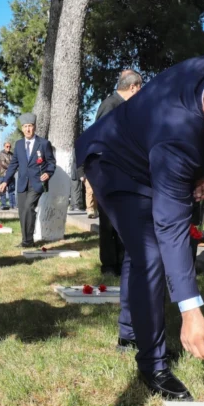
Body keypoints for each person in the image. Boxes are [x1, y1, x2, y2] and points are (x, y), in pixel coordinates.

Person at [76, 56, 204, 399]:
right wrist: (190, 309)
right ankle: (153, 363)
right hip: (113, 161)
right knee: (149, 254)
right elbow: (172, 226)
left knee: (142, 254)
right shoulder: (177, 137)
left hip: (149, 150)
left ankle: (129, 330)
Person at [87, 70, 142, 274]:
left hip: (124, 171)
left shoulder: (125, 106)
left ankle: (121, 261)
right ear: (133, 87)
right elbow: (100, 138)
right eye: (139, 88)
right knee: (108, 222)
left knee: (122, 220)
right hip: (108, 172)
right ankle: (109, 264)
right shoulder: (110, 105)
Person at [0, 114, 56, 247]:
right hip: (22, 184)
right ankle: (26, 239)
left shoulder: (43, 143)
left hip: (37, 183)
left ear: (34, 127)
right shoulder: (18, 145)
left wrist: (48, 173)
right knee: (22, 211)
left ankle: (28, 240)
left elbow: (51, 162)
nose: (28, 129)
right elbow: (13, 164)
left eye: (30, 126)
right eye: (25, 127)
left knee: (29, 207)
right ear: (22, 129)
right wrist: (5, 181)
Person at [0, 142, 16, 209]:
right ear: (4, 146)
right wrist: (12, 168)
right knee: (3, 190)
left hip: (11, 175)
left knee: (12, 190)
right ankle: (3, 204)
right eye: (7, 146)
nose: (8, 148)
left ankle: (13, 205)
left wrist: (13, 169)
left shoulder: (12, 154)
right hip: (3, 174)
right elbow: (3, 164)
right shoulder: (1, 154)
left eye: (9, 146)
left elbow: (15, 162)